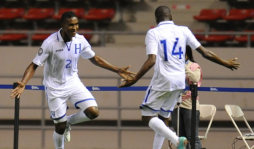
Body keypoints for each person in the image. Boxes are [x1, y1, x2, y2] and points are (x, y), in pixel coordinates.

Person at [119, 5, 240, 149]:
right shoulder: (184, 30)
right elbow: (205, 52)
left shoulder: (153, 33)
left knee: (147, 117)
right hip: (179, 82)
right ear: (171, 17)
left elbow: (151, 60)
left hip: (162, 80)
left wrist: (135, 79)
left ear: (156, 19)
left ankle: (177, 140)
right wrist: (225, 63)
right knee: (163, 119)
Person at [10, 11, 135, 149]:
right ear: (62, 25)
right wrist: (23, 83)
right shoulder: (50, 43)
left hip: (74, 83)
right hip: (54, 87)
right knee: (60, 126)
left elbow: (95, 58)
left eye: (76, 24)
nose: (74, 28)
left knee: (93, 112)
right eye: (71, 25)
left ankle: (69, 121)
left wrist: (117, 69)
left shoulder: (80, 40)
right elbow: (34, 65)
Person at [171, 46, 203, 149]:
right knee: (180, 138)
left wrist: (184, 68)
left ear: (186, 54)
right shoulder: (173, 67)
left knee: (192, 137)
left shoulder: (194, 66)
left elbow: (195, 78)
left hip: (190, 104)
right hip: (176, 104)